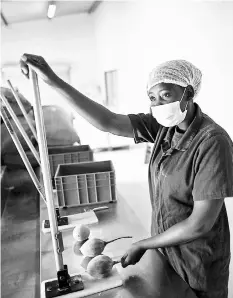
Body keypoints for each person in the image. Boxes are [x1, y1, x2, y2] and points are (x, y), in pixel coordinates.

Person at [20, 54, 233, 298]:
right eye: (153, 98)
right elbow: (107, 121)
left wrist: (144, 243)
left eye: (166, 95)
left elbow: (200, 223)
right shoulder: (164, 128)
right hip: (166, 249)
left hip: (197, 259)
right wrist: (53, 81)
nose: (159, 105)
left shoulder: (212, 142)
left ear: (189, 93)